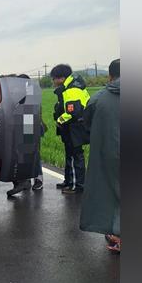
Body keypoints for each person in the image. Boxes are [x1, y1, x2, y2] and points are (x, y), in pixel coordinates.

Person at [80, 59, 120, 253]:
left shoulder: (99, 98)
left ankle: (117, 235)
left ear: (110, 76)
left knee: (112, 193)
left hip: (110, 152)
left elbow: (86, 122)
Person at [50, 64, 89, 193]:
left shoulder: (72, 89)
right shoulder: (69, 86)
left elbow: (73, 112)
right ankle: (69, 181)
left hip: (75, 127)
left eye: (54, 78)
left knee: (75, 155)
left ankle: (77, 185)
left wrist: (59, 120)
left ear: (61, 78)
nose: (53, 81)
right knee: (70, 154)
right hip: (72, 127)